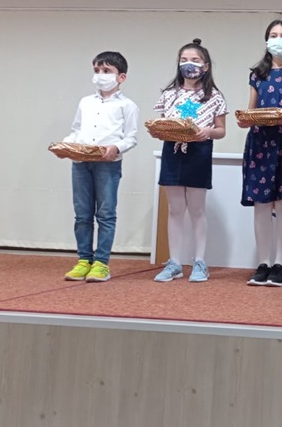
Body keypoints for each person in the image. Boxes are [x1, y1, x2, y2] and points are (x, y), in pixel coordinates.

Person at [239, 20, 282, 288]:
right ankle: (263, 263)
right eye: (273, 35)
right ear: (267, 42)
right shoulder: (257, 75)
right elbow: (251, 111)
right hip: (260, 142)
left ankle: (281, 265)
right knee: (261, 204)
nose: (278, 39)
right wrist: (245, 119)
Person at [153, 38, 228, 283]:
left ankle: (200, 262)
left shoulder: (214, 96)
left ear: (205, 66)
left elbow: (221, 130)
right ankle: (174, 262)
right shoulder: (169, 94)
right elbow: (163, 123)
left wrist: (207, 132)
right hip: (172, 151)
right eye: (184, 60)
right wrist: (159, 131)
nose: (189, 64)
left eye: (195, 60)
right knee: (175, 209)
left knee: (196, 209)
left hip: (199, 152)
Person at [62, 52, 140, 282]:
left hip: (108, 164)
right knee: (82, 214)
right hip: (81, 162)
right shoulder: (85, 102)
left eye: (106, 71)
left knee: (105, 214)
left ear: (121, 77)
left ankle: (101, 263)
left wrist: (116, 147)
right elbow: (77, 130)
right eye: (97, 70)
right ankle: (83, 260)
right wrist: (66, 144)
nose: (100, 75)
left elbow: (131, 137)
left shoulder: (127, 106)